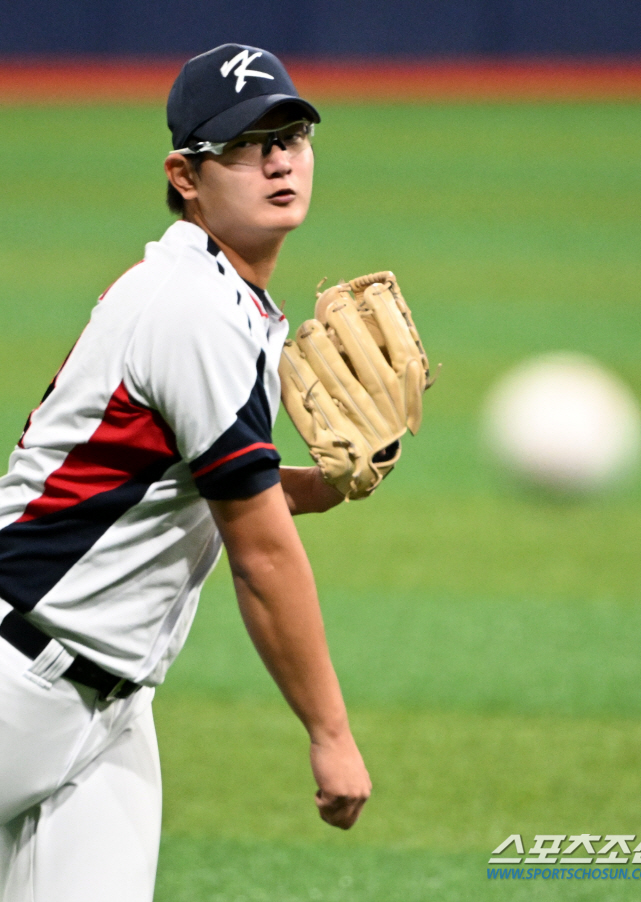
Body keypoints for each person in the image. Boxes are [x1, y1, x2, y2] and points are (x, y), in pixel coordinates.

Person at [0, 43, 371, 902]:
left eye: (292, 134)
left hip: (110, 707)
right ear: (186, 174)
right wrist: (331, 732)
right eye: (246, 144)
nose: (279, 158)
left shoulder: (228, 298)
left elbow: (203, 484)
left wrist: (328, 483)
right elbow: (261, 554)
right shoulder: (191, 310)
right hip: (16, 677)